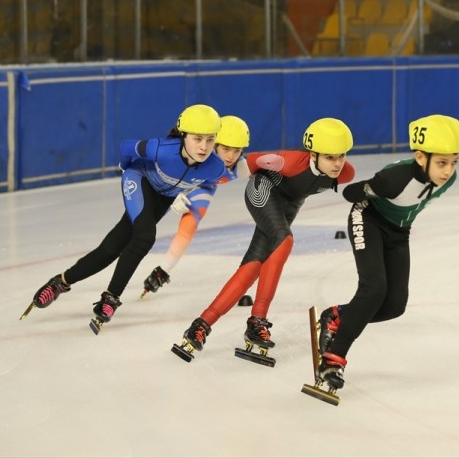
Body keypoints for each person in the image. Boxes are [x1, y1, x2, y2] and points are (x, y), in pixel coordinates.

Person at [20, 104, 229, 331]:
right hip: (140, 179)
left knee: (112, 248)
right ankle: (111, 297)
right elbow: (126, 147)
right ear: (183, 134)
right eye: (197, 139)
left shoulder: (216, 168)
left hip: (163, 198)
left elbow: (210, 182)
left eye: (210, 139)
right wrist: (125, 168)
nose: (204, 146)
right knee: (145, 237)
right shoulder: (161, 149)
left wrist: (188, 194)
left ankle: (61, 282)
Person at [172, 117, 356, 362]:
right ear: (313, 155)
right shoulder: (288, 161)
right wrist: (186, 189)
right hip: (263, 190)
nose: (337, 164)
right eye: (330, 157)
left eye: (341, 156)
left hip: (288, 207)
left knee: (255, 263)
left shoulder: (346, 173)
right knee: (284, 239)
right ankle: (257, 320)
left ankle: (201, 325)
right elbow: (244, 164)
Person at [313, 114, 459, 391]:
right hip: (368, 219)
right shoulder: (395, 177)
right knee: (373, 289)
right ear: (421, 157)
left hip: (399, 232)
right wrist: (372, 187)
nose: (448, 171)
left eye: (454, 162)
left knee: (394, 305)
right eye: (442, 162)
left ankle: (337, 316)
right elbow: (351, 193)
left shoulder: (449, 179)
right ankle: (333, 360)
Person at [139, 115, 251, 299]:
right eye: (226, 149)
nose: (231, 156)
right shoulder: (195, 158)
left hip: (203, 187)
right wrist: (172, 194)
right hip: (173, 183)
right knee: (143, 223)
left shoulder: (242, 168)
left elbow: (270, 164)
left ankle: (162, 272)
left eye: (237, 150)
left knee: (189, 225)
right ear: (214, 145)